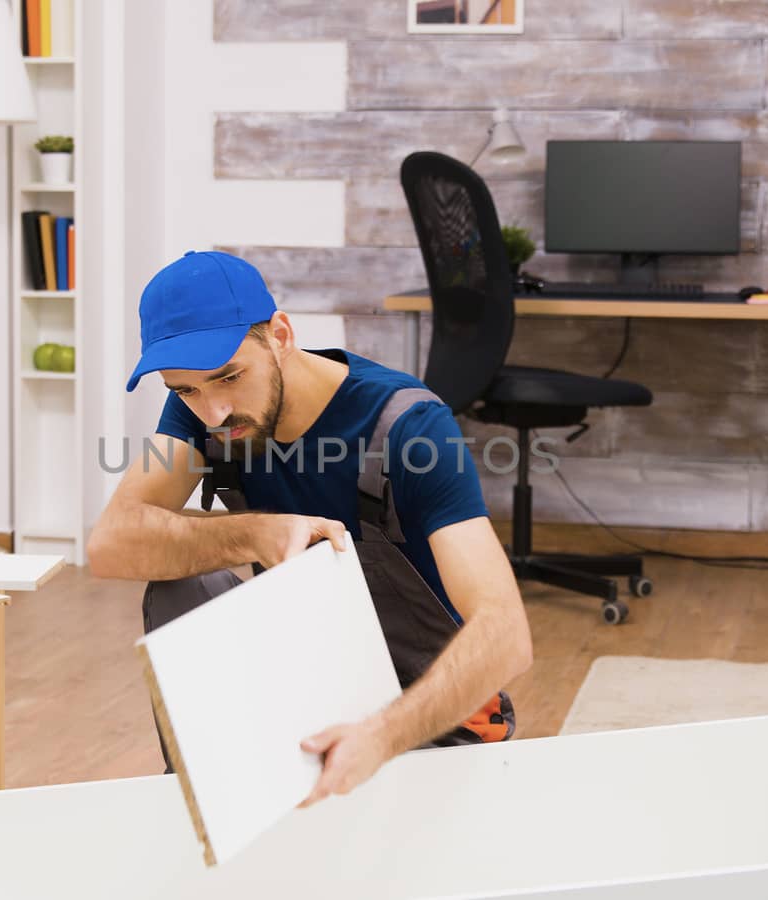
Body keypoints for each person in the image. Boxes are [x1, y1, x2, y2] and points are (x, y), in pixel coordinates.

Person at [88, 251, 533, 807]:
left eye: (229, 377)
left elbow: (507, 633)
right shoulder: (202, 409)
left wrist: (380, 737)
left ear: (280, 335)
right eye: (186, 390)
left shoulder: (410, 427)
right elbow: (111, 544)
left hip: (434, 725)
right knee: (182, 587)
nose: (215, 412)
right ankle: (209, 804)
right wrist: (256, 534)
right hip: (310, 696)